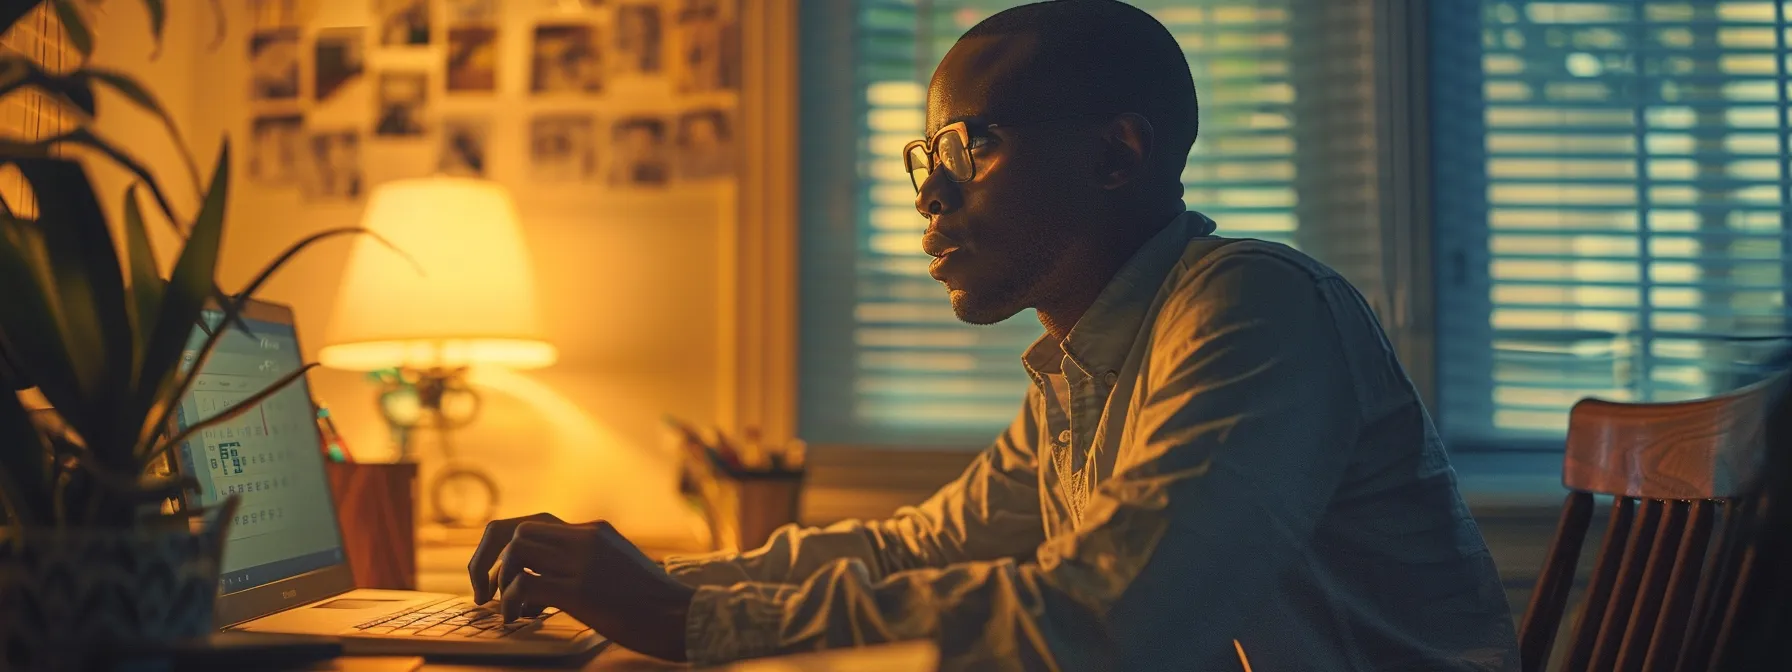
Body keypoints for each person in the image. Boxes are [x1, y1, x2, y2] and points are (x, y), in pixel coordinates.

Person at [466, 2, 1520, 669]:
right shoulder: (1086, 366)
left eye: (968, 147)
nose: (931, 200)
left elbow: (1115, 621)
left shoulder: (1252, 308)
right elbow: (912, 549)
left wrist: (681, 623)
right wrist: (649, 581)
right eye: (923, 161)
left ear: (1117, 153)